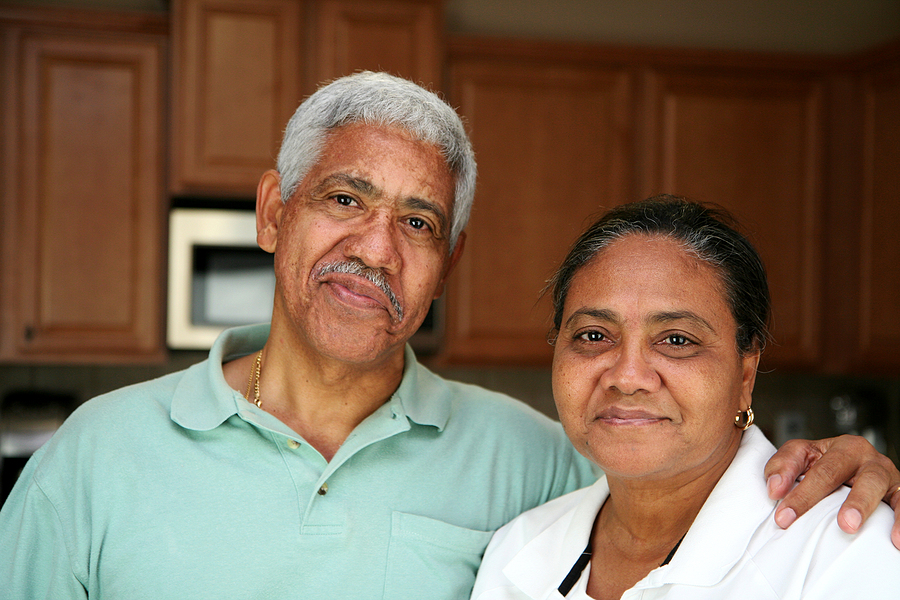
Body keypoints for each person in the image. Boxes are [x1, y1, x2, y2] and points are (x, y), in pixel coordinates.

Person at [0, 73, 896, 600]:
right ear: (275, 213)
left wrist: (850, 466)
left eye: (419, 222)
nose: (375, 249)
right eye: (344, 199)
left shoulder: (539, 464)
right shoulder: (94, 458)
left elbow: (693, 486)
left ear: (448, 258)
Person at [470, 197, 900, 600]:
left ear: (745, 371)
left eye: (676, 339)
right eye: (593, 335)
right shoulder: (518, 551)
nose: (627, 377)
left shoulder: (843, 549)